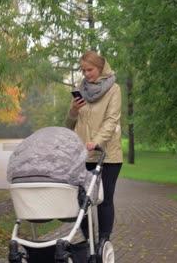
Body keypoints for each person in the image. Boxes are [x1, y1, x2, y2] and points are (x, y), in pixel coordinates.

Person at [66, 50, 123, 244]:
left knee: (104, 199)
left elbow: (111, 120)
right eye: (83, 71)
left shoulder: (114, 89)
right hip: (84, 155)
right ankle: (89, 240)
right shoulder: (80, 89)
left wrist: (96, 141)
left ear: (100, 67)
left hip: (107, 155)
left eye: (89, 69)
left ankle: (103, 242)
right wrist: (73, 110)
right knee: (82, 201)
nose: (86, 74)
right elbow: (69, 124)